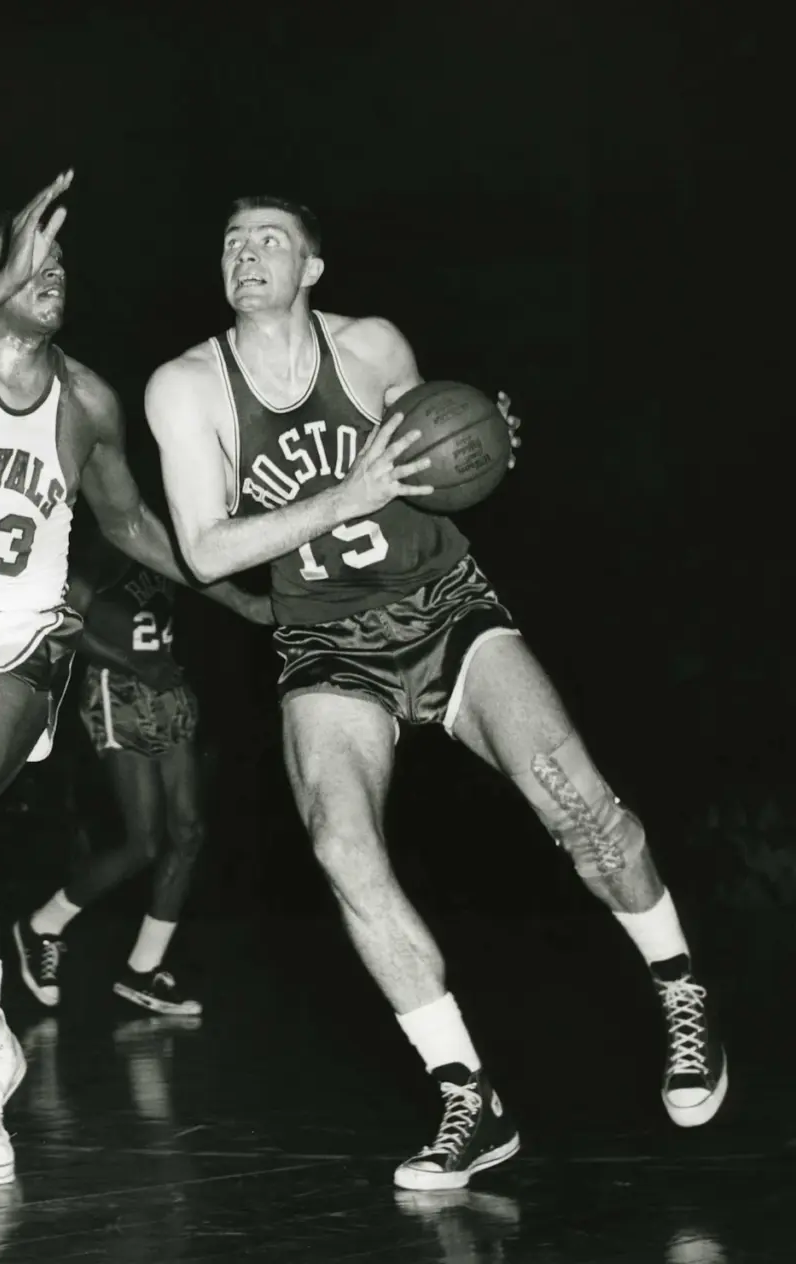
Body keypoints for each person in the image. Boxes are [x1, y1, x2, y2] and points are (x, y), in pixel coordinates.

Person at [144, 195, 727, 1191]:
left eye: (271, 239)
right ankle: (467, 1092)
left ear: (311, 267)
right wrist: (345, 497)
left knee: (576, 802)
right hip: (325, 640)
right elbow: (203, 551)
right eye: (234, 241)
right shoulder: (186, 386)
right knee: (340, 845)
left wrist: (485, 443)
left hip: (442, 603)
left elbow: (440, 450)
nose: (247, 253)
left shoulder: (371, 345)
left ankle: (679, 988)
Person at [0, 171, 270, 1198]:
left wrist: (243, 599)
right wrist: (3, 282)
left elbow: (129, 522)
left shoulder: (86, 400)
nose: (55, 275)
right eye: (31, 259)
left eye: (60, 263)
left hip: (22, 638)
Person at [13, 537, 208, 1017]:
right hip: (116, 688)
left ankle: (143, 970)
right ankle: (41, 926)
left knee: (188, 833)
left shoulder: (167, 535)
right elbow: (62, 625)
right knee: (143, 843)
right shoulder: (101, 547)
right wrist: (134, 662)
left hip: (165, 683)